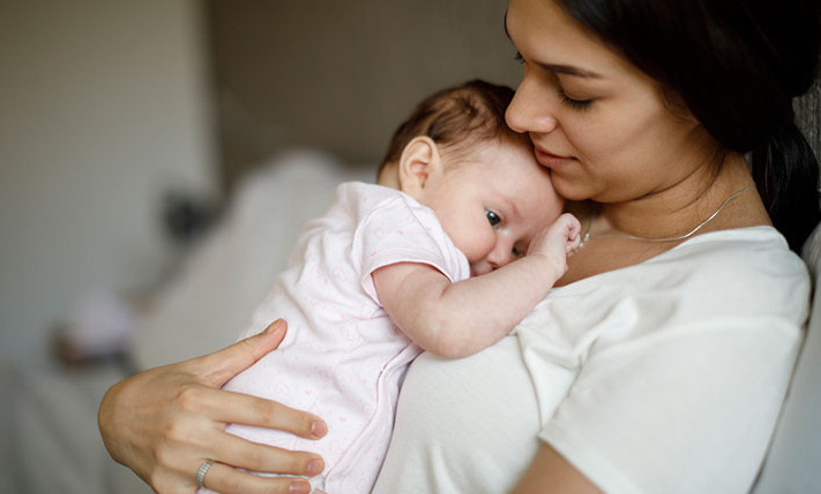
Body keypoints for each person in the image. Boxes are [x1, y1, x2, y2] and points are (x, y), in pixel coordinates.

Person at [98, 0, 821, 492]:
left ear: (706, 94)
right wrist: (123, 411)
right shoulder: (543, 188)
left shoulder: (724, 305)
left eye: (574, 92)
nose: (522, 111)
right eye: (524, 64)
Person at [195, 80, 579, 493]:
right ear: (420, 171)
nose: (504, 258)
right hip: (269, 460)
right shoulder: (396, 222)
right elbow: (446, 323)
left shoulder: (378, 229)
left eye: (520, 248)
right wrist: (542, 263)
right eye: (493, 218)